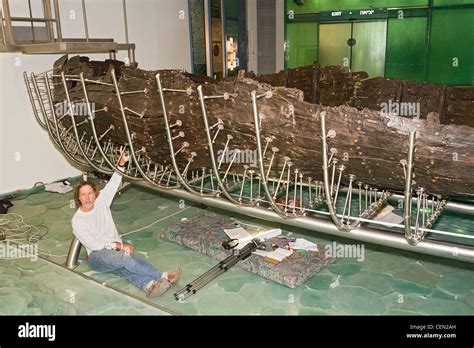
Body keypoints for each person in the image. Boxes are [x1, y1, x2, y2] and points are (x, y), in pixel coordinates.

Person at [71, 147, 180, 298]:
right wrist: (120, 246)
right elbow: (94, 245)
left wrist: (122, 163)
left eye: (90, 193)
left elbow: (114, 182)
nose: (87, 197)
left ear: (95, 194)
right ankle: (163, 275)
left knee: (124, 266)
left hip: (114, 250)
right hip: (97, 257)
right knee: (125, 258)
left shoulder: (101, 202)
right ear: (78, 198)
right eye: (83, 195)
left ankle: (149, 286)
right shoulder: (77, 220)